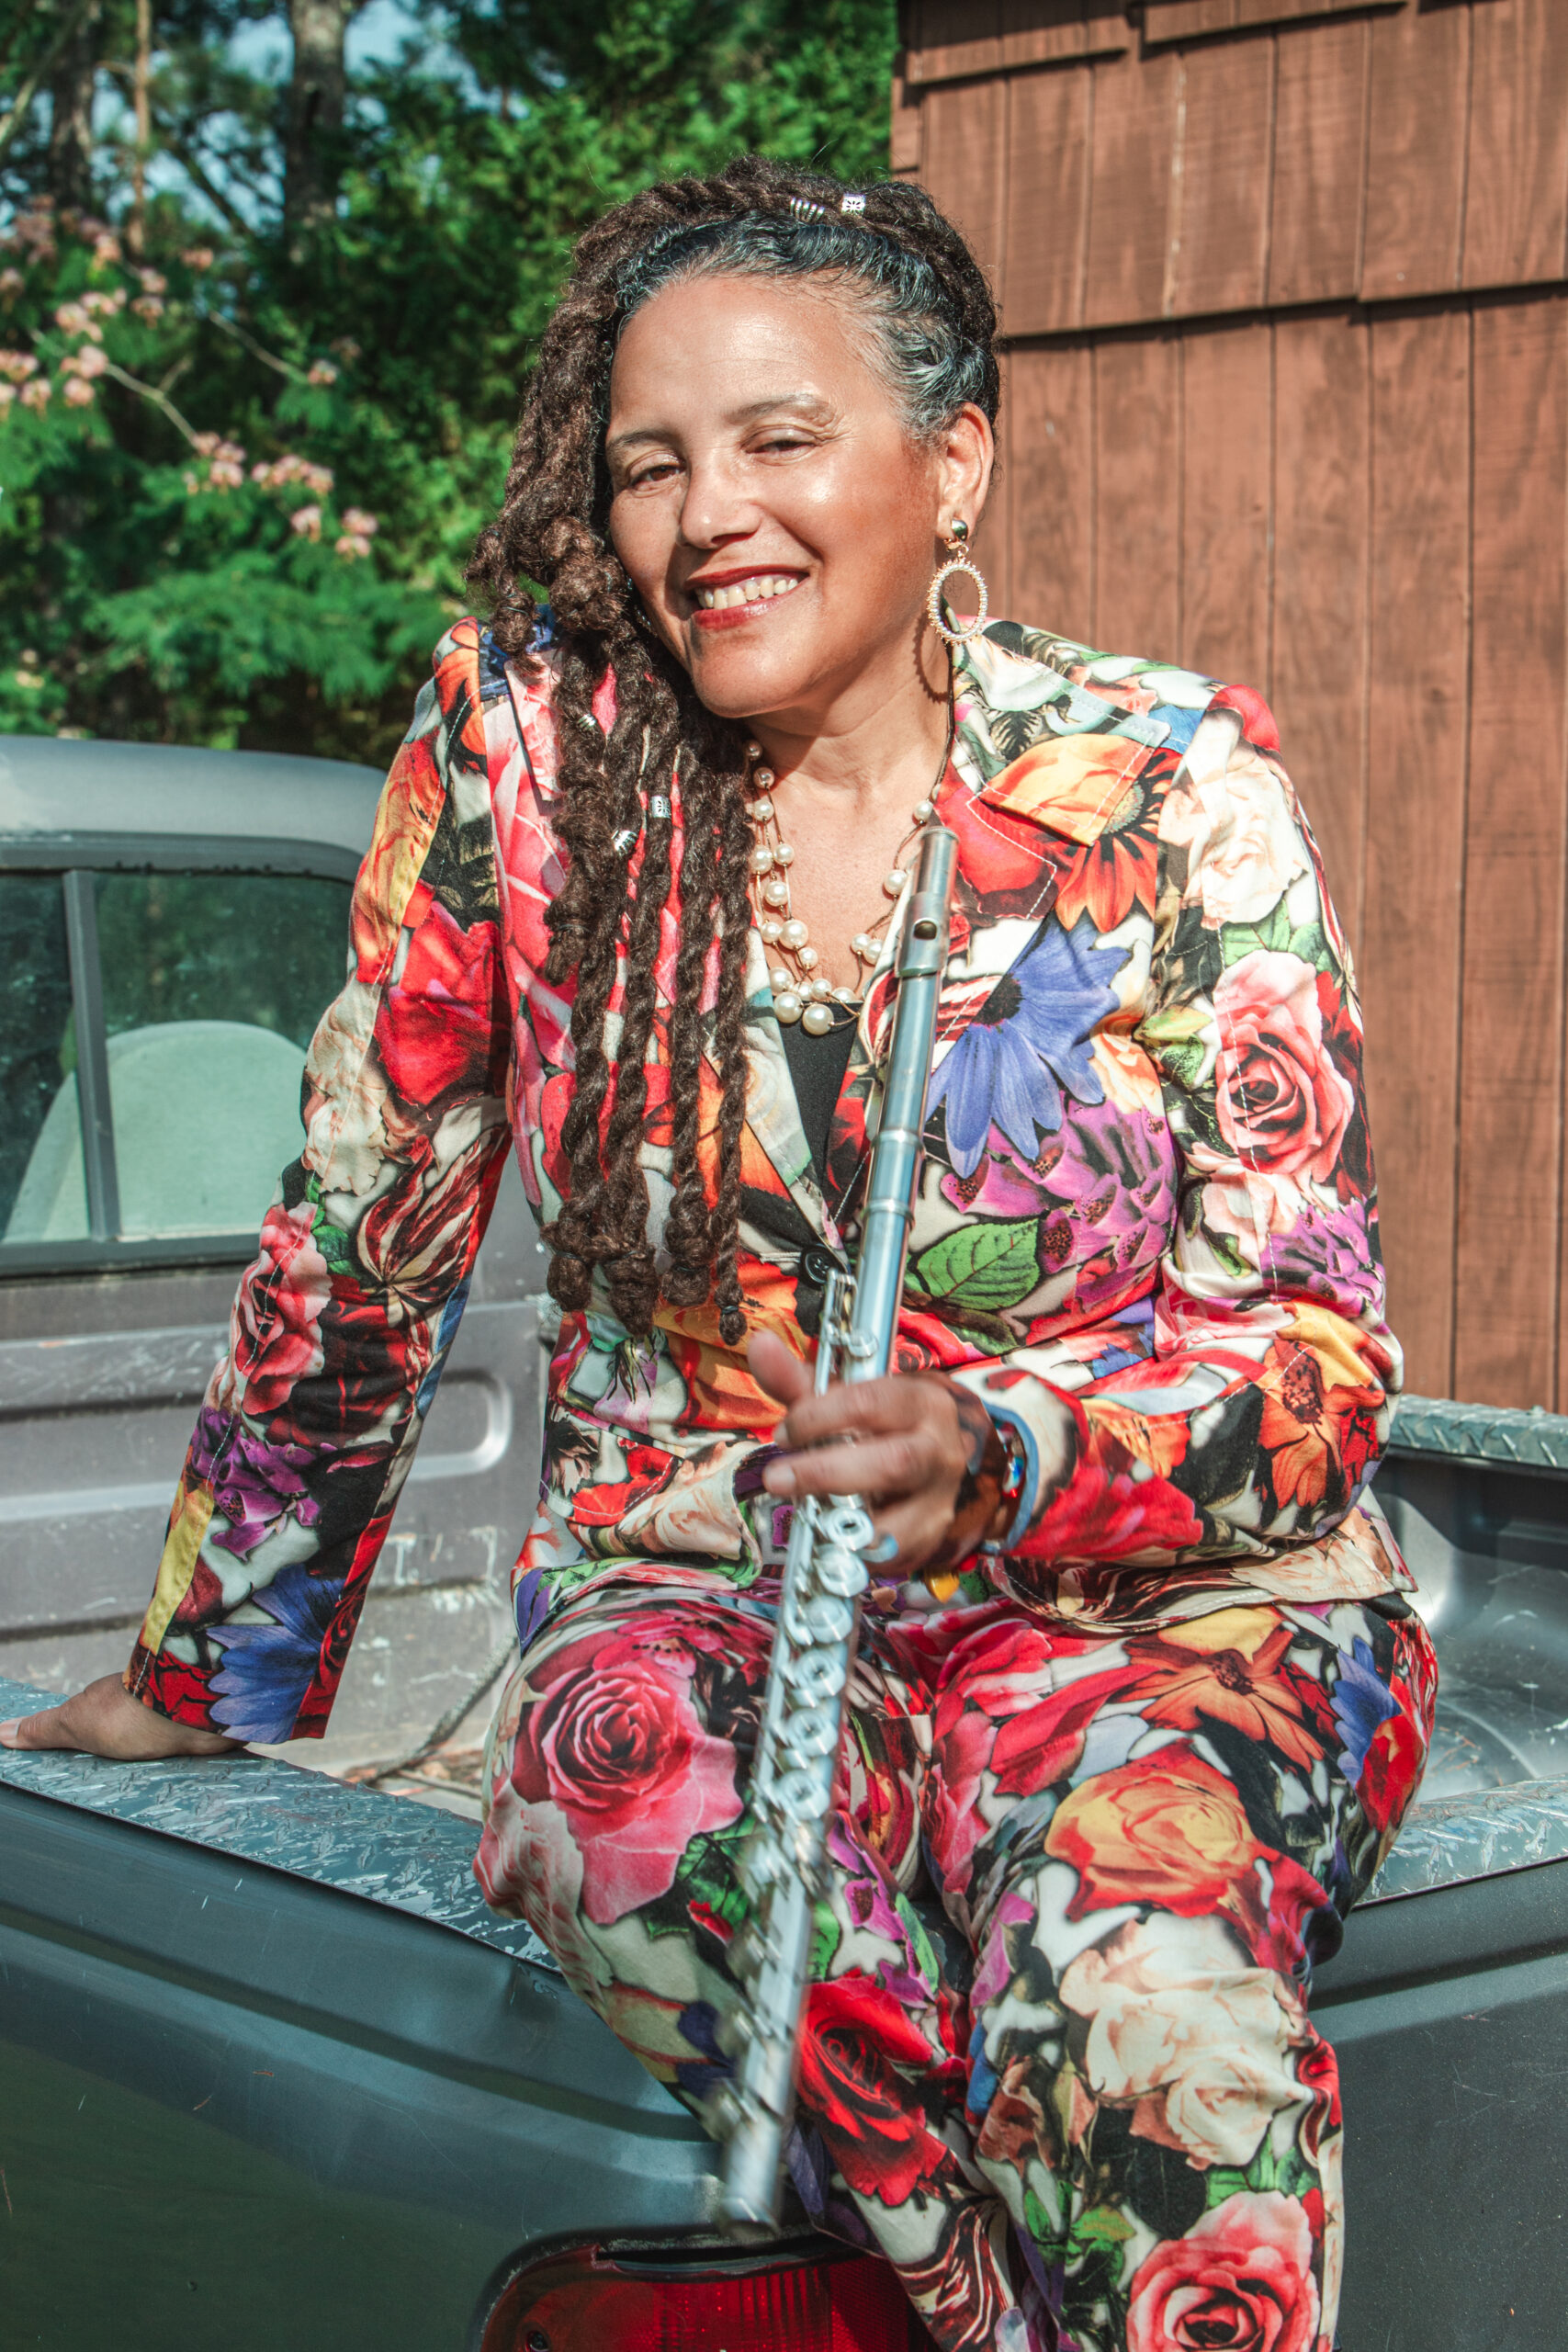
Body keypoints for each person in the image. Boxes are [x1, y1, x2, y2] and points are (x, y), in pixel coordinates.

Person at [3, 158, 1436, 2352]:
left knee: (1145, 1998)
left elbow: (1315, 1353)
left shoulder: (1165, 779)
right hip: (711, 1571)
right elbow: (362, 1233)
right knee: (609, 1790)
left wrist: (1004, 1448)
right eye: (652, 462)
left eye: (779, 439)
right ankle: (979, 2312)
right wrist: (211, 1666)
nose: (707, 517)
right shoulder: (531, 747)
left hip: (1158, 1597)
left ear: (950, 457)